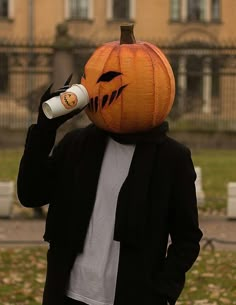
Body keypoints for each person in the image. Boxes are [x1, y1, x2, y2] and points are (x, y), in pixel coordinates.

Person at [17, 26, 202, 305]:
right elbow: (30, 194)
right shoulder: (76, 146)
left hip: (133, 297)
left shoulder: (170, 159)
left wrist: (163, 292)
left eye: (109, 79)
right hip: (67, 295)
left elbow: (187, 238)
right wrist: (45, 131)